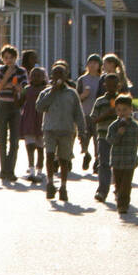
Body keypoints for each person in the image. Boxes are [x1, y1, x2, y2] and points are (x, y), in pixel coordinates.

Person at [35, 60, 86, 202]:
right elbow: (39, 107)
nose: (58, 77)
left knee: (64, 159)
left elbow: (78, 113)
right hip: (50, 129)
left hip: (66, 130)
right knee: (50, 156)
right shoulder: (46, 92)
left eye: (61, 74)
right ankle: (50, 183)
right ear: (51, 76)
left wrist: (82, 131)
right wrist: (52, 92)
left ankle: (63, 186)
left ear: (66, 76)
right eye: (55, 74)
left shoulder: (72, 93)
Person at [0, 45, 25, 183]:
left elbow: (23, 88)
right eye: (6, 58)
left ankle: (10, 170)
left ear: (15, 57)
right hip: (2, 105)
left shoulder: (21, 71)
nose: (9, 60)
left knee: (14, 140)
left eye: (11, 57)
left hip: (15, 106)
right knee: (2, 140)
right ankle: (3, 169)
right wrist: (7, 77)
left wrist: (15, 87)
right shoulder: (0, 70)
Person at [88, 73, 122, 203]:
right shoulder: (100, 101)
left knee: (119, 164)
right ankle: (102, 190)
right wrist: (107, 114)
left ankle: (119, 190)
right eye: (108, 85)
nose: (111, 87)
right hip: (103, 136)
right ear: (104, 85)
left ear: (118, 85)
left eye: (114, 85)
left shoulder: (122, 100)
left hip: (119, 138)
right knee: (104, 164)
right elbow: (93, 119)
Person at [18, 65, 46, 183]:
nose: (35, 78)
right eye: (33, 75)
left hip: (42, 120)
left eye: (39, 75)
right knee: (30, 146)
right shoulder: (26, 89)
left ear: (43, 77)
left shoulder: (46, 89)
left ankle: (40, 171)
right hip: (29, 119)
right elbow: (19, 102)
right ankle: (31, 169)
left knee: (40, 147)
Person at [76, 54, 102, 172]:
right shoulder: (82, 80)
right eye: (90, 63)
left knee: (98, 139)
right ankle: (86, 154)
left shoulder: (101, 79)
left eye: (95, 63)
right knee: (84, 138)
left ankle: (98, 160)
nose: (92, 65)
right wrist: (84, 95)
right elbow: (76, 98)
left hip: (97, 115)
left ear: (99, 65)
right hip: (84, 113)